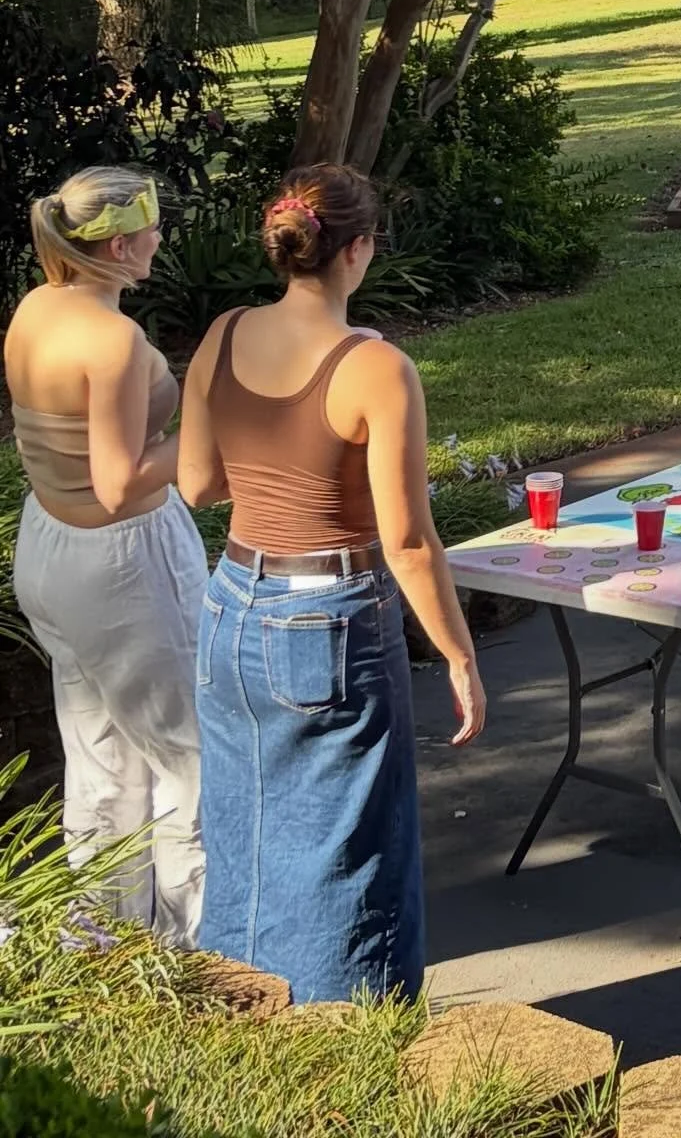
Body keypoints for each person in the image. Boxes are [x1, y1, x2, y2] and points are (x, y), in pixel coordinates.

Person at [178, 164, 485, 1004]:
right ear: (359, 251)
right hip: (328, 620)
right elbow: (409, 540)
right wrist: (457, 653)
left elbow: (198, 481)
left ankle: (235, 1029)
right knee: (347, 854)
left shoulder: (223, 334)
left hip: (229, 608)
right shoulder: (376, 370)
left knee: (243, 833)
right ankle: (346, 1053)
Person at [5, 167, 207, 946]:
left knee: (100, 754)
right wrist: (213, 428)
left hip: (49, 549)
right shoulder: (112, 340)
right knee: (191, 756)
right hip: (120, 561)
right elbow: (120, 485)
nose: (162, 240)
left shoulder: (37, 307)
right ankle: (202, 947)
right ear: (122, 244)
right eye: (155, 229)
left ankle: (99, 942)